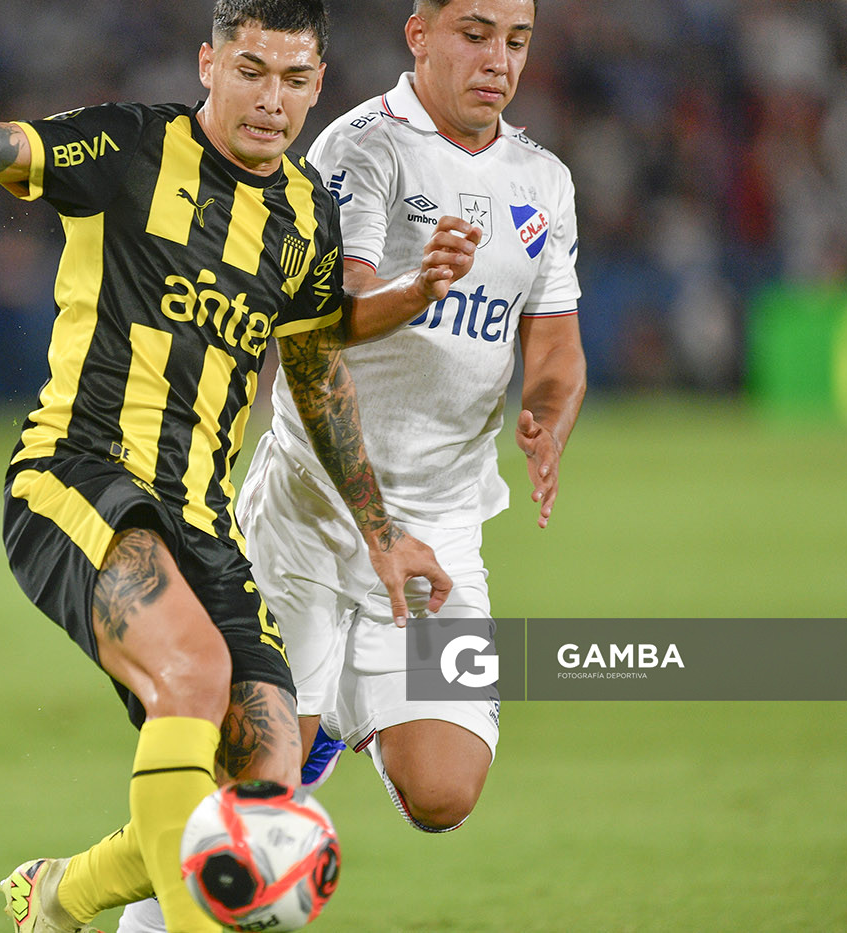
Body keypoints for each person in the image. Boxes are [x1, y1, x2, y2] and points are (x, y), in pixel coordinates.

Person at [0, 2, 474, 930]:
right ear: (209, 63)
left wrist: (383, 535)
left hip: (203, 521)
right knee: (190, 675)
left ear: (318, 85)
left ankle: (57, 895)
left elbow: (314, 375)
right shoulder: (125, 147)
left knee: (266, 774)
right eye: (251, 70)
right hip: (79, 476)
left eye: (294, 78)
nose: (272, 99)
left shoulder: (307, 215)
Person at [243, 0, 583, 856]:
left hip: (440, 526)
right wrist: (417, 290)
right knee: (256, 787)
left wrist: (545, 414)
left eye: (516, 41)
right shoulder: (362, 147)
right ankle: (94, 899)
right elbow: (327, 315)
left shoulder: (543, 179)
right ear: (418, 35)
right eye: (475, 34)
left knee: (442, 789)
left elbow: (556, 347)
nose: (498, 61)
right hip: (315, 508)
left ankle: (339, 703)